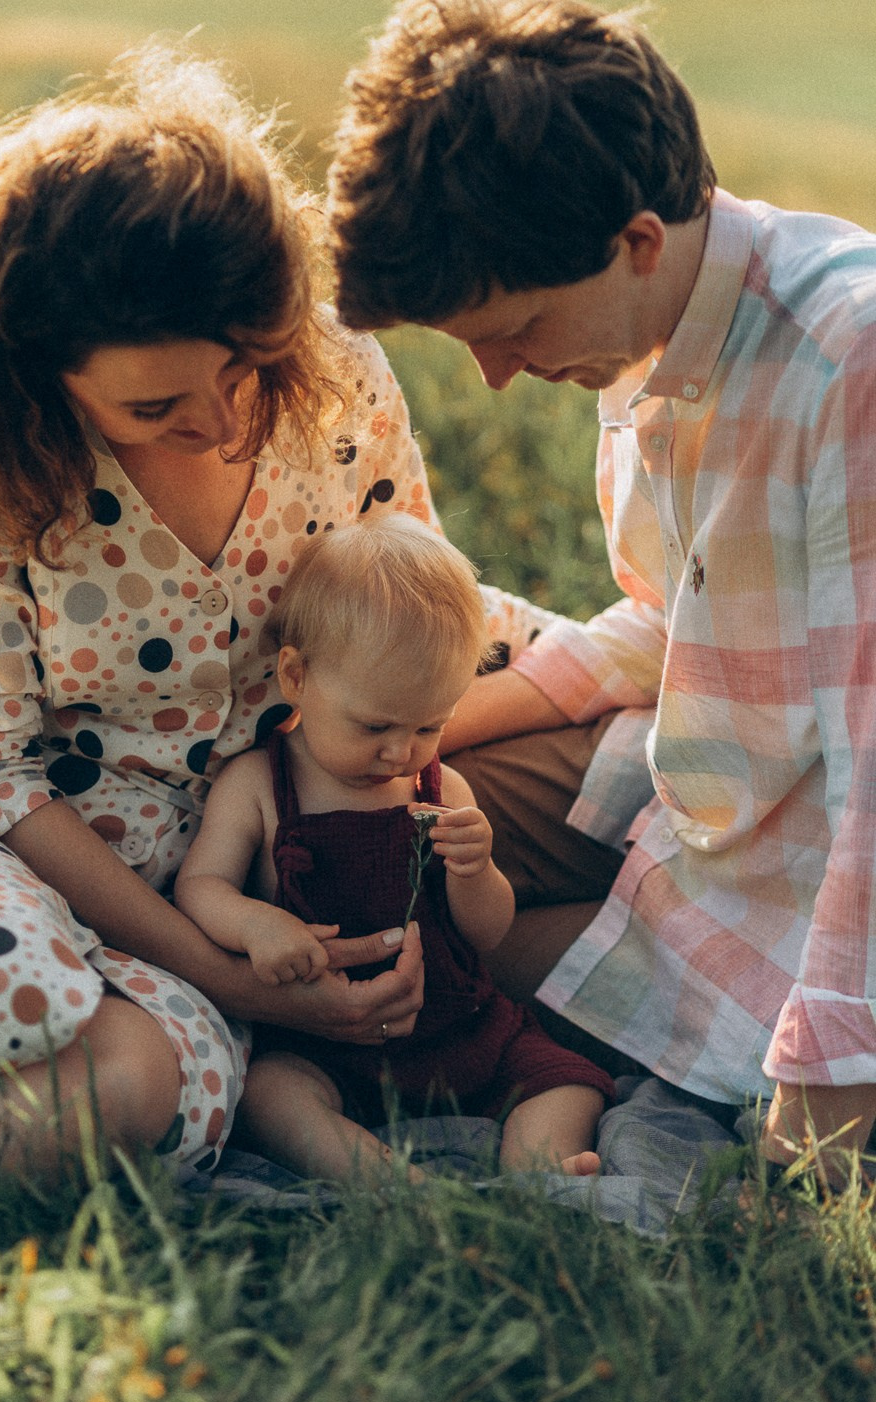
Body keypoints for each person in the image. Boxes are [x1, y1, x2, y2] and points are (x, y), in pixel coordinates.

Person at [0, 42, 551, 1191]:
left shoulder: (332, 375)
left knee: (133, 1085)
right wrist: (218, 969)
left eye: (245, 367)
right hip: (24, 842)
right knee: (5, 986)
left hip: (244, 869)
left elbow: (413, 593)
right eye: (155, 403)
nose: (221, 418)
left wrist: (628, 664)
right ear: (41, 370)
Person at [325, 0, 876, 1184]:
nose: (499, 376)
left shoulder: (848, 364)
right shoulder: (645, 334)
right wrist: (429, 735)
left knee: (446, 960)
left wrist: (826, 1091)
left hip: (824, 859)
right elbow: (669, 623)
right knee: (344, 829)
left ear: (635, 239)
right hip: (703, 787)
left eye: (514, 330)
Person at [174, 517, 614, 1185]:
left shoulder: (441, 786)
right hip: (323, 1043)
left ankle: (539, 1168)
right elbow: (201, 885)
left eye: (429, 725)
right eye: (374, 724)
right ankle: (385, 1180)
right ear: (296, 676)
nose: (399, 751)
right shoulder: (261, 784)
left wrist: (476, 869)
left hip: (459, 1026)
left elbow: (486, 933)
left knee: (567, 1080)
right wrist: (256, 924)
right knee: (270, 1095)